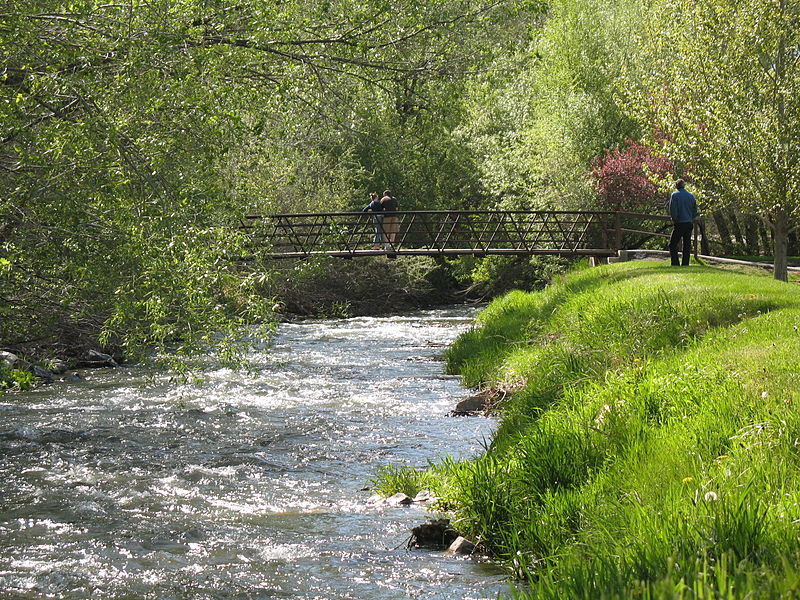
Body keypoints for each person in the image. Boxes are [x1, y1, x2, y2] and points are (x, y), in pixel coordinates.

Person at [668, 179, 698, 266]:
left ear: (676, 186)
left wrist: (675, 219)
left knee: (672, 244)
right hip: (689, 223)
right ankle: (685, 263)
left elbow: (673, 210)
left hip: (680, 223)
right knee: (687, 245)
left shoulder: (675, 195)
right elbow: (695, 210)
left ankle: (675, 263)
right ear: (684, 186)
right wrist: (690, 218)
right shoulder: (691, 196)